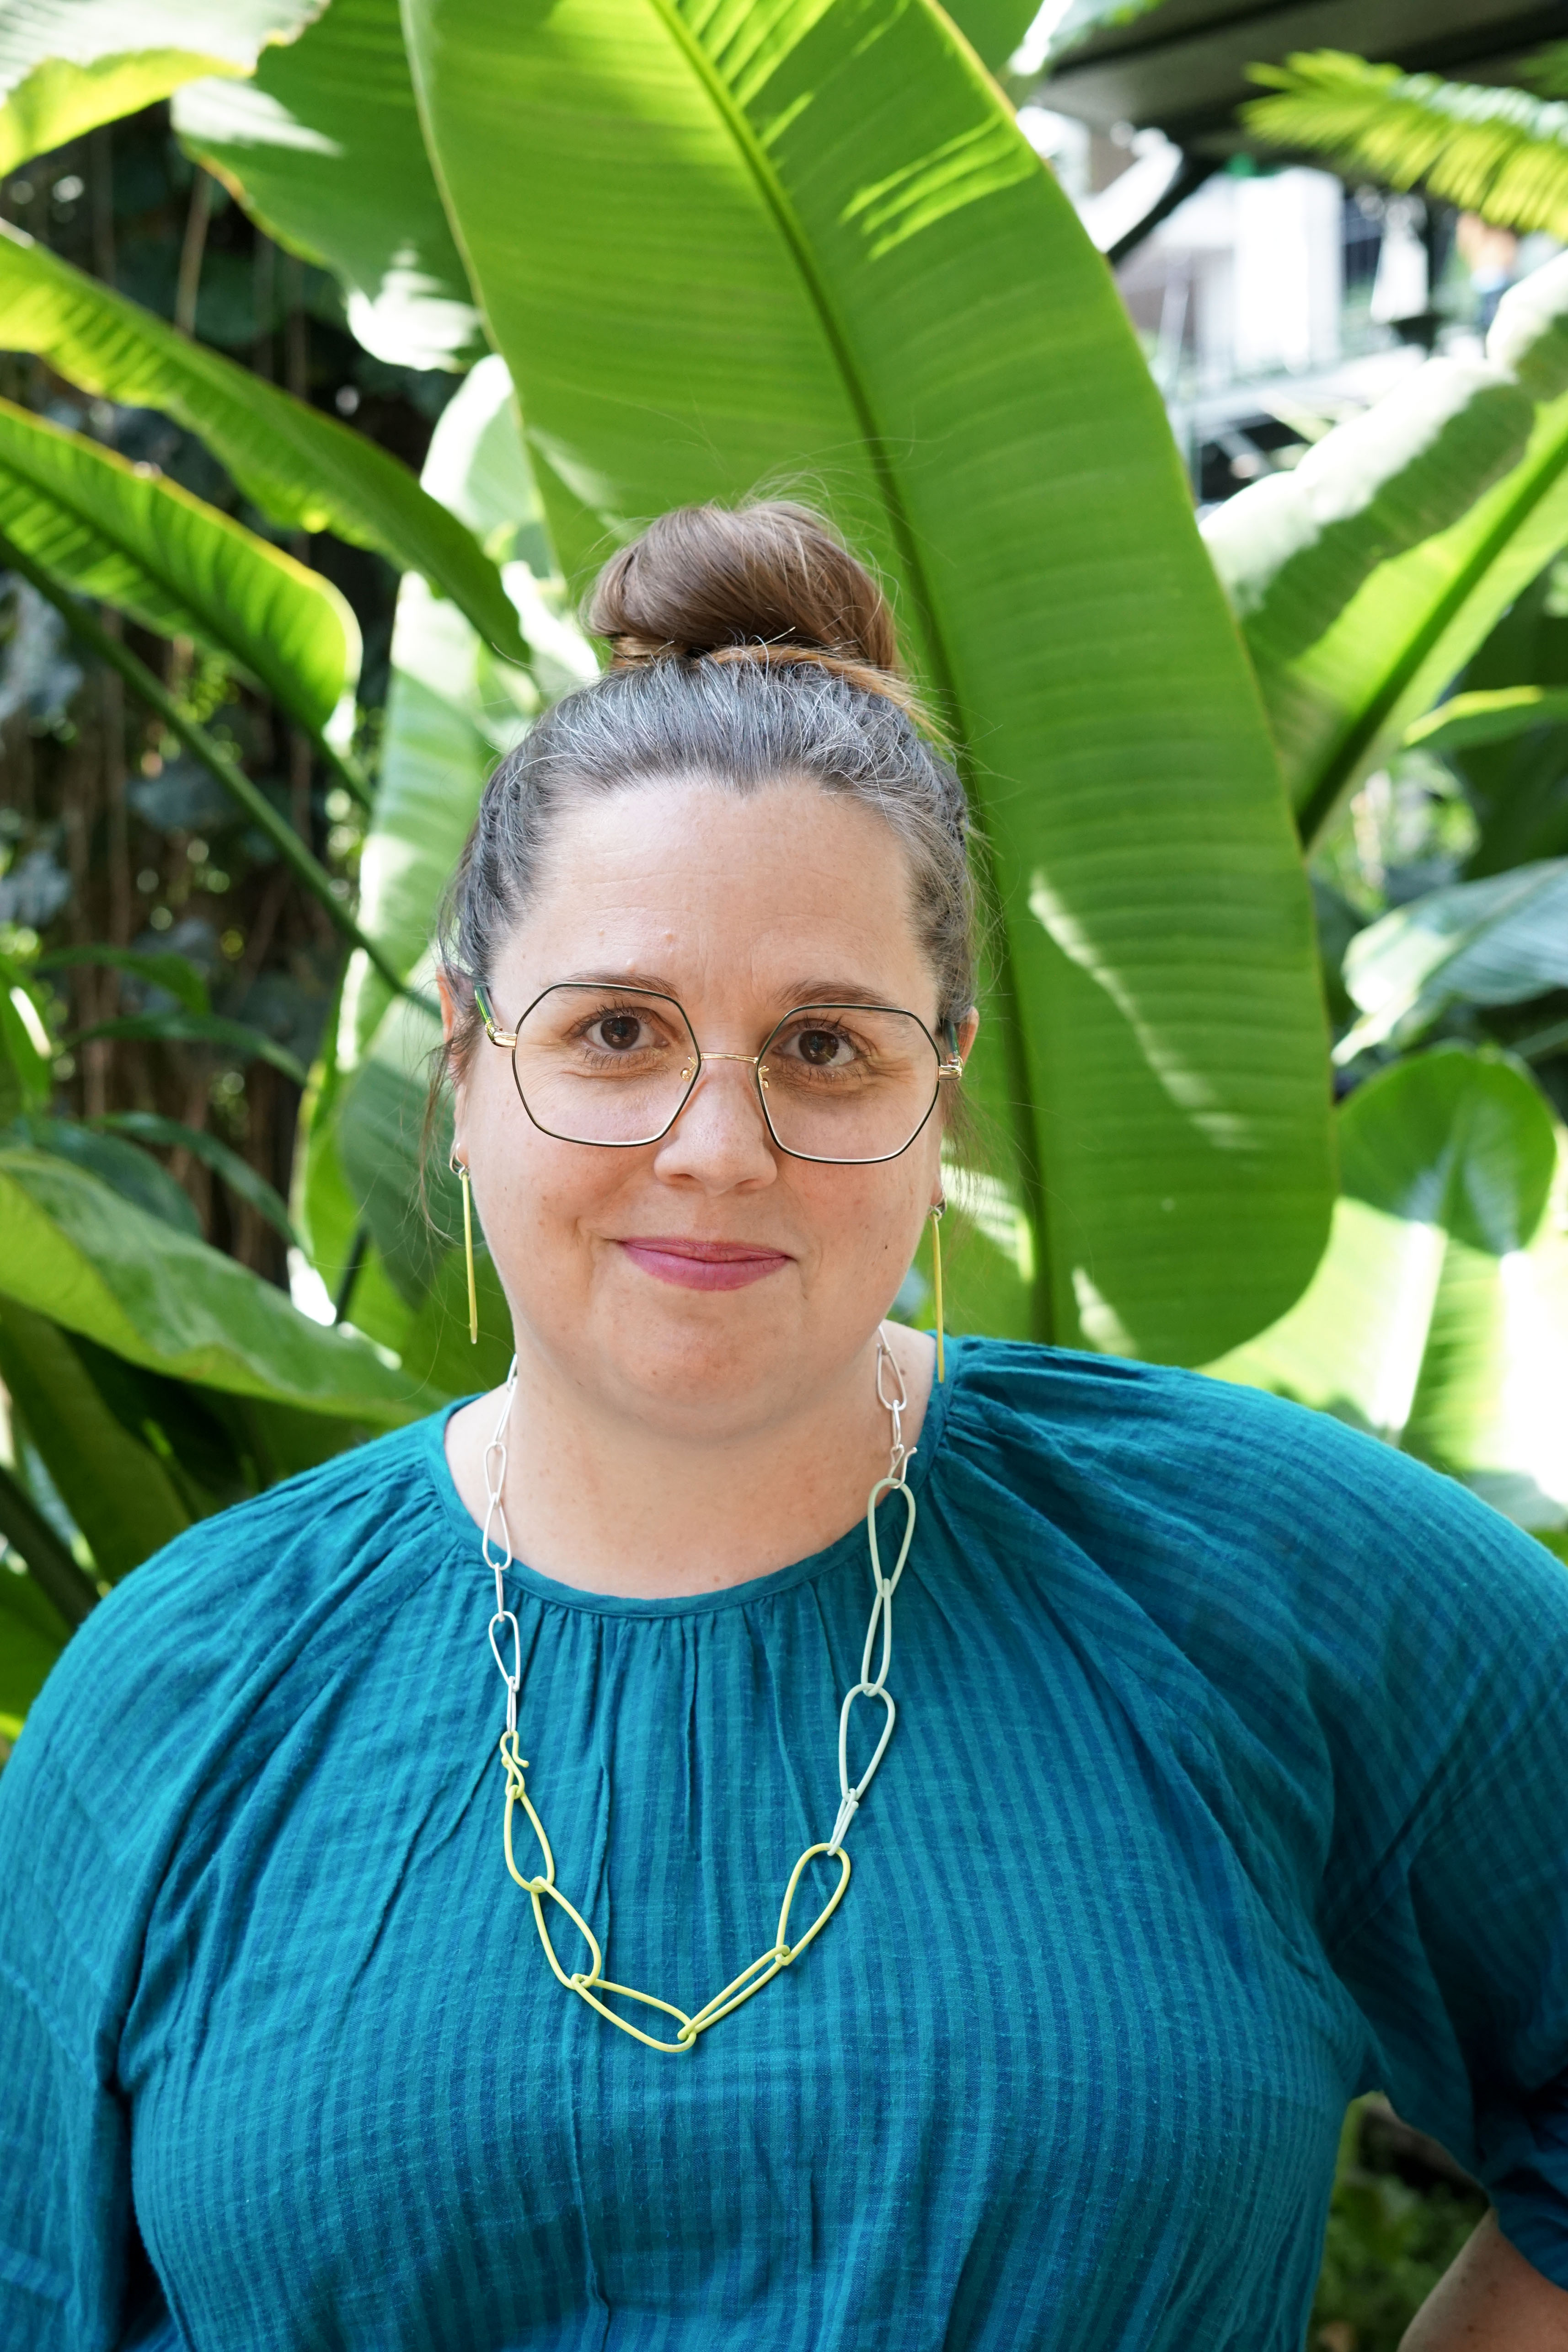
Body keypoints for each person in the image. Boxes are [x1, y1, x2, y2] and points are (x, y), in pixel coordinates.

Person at [1, 501, 1566, 2352]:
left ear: (944, 1079)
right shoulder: (185, 1694)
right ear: (465, 1047)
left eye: (826, 1045)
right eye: (613, 1033)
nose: (717, 1147)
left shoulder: (1256, 1572)